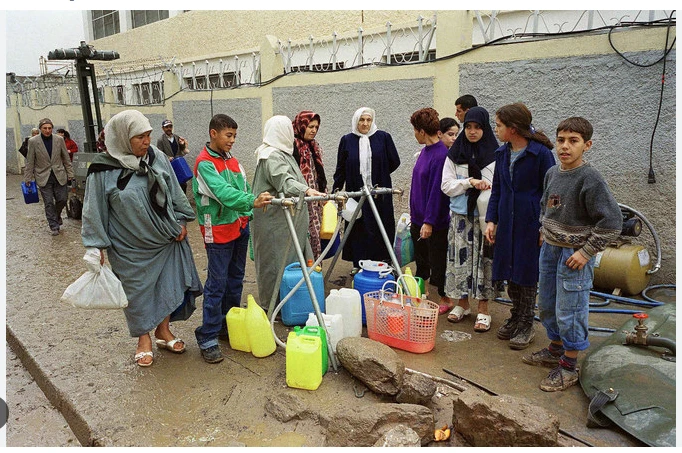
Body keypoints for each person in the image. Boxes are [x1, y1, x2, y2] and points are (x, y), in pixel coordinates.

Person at [81, 110, 203, 367]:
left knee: (167, 283)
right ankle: (143, 339)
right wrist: (95, 247)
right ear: (123, 138)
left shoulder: (156, 157)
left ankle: (163, 331)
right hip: (128, 245)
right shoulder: (102, 169)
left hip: (164, 238)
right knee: (137, 293)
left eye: (148, 135)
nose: (146, 141)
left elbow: (173, 190)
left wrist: (181, 219)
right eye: (139, 137)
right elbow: (94, 210)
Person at [524, 117, 622, 392]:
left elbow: (612, 221)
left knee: (571, 309)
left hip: (574, 257)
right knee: (548, 304)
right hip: (551, 251)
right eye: (561, 140)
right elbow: (546, 205)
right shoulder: (553, 173)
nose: (565, 147)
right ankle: (556, 348)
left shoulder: (590, 178)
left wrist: (586, 251)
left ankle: (569, 365)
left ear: (587, 145)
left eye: (573, 141)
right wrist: (545, 231)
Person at [193, 114, 273, 363]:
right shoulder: (204, 164)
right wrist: (251, 202)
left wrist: (249, 210)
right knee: (217, 283)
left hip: (238, 227)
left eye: (235, 136)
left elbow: (244, 189)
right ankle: (207, 336)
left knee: (236, 279)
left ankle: (227, 324)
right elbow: (224, 193)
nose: (233, 140)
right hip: (217, 231)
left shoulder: (234, 162)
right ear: (213, 133)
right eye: (229, 135)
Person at [484, 102, 556, 350]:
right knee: (509, 269)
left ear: (513, 128)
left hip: (530, 222)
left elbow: (552, 193)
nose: (496, 129)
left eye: (499, 125)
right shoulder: (502, 154)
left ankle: (527, 322)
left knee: (526, 272)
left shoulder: (541, 154)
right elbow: (498, 190)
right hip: (507, 221)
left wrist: (544, 227)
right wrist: (491, 220)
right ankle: (516, 314)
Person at [251, 116, 324, 310]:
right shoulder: (272, 156)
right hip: (275, 224)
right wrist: (306, 190)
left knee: (289, 263)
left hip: (285, 222)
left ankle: (289, 303)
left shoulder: (283, 153)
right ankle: (275, 306)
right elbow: (284, 180)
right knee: (275, 264)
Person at [441, 106, 499, 330]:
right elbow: (446, 186)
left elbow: (499, 187)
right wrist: (469, 182)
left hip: (484, 217)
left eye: (478, 127)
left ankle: (483, 309)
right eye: (469, 127)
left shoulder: (496, 156)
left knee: (484, 261)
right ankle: (462, 304)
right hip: (460, 216)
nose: (472, 132)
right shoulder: (455, 154)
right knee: (460, 261)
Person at [332, 107, 401, 271]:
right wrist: (336, 189)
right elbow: (341, 167)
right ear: (356, 121)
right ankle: (359, 263)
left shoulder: (383, 138)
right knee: (359, 228)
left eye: (368, 120)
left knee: (381, 226)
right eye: (361, 120)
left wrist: (380, 173)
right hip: (356, 193)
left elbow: (394, 161)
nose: (365, 123)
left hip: (379, 193)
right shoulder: (347, 140)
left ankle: (382, 263)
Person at [408, 107, 453, 312]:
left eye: (415, 130)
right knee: (422, 260)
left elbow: (437, 192)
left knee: (438, 260)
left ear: (422, 131)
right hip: (418, 217)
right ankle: (422, 293)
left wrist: (429, 221)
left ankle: (445, 298)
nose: (414, 134)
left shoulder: (440, 155)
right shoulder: (425, 152)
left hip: (433, 221)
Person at [24, 118, 74, 236]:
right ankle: (54, 226)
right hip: (43, 176)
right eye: (45, 128)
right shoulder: (33, 141)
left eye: (50, 128)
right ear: (40, 129)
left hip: (59, 174)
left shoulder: (59, 139)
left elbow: (66, 158)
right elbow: (30, 161)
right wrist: (28, 177)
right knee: (48, 202)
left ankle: (56, 216)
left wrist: (70, 173)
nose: (47, 130)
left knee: (62, 198)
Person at [292, 110, 327, 259]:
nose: (313, 130)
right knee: (301, 235)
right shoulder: (292, 146)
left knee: (315, 235)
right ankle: (300, 272)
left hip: (315, 199)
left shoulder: (314, 146)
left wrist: (324, 191)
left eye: (316, 127)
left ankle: (314, 271)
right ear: (301, 126)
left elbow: (320, 172)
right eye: (310, 126)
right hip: (300, 198)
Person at [157, 119, 190, 191]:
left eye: (170, 126)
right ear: (163, 128)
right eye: (166, 127)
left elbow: (182, 149)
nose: (169, 129)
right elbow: (159, 154)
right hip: (169, 166)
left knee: (183, 184)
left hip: (178, 164)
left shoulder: (177, 137)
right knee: (172, 185)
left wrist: (182, 144)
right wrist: (167, 158)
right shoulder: (161, 140)